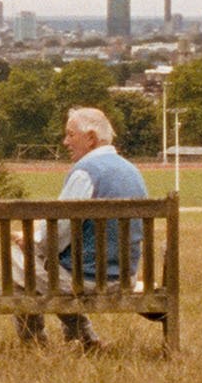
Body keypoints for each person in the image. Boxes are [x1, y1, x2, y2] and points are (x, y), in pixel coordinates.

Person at [15, 106, 147, 349]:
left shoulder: (85, 173)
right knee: (41, 269)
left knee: (19, 259)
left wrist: (30, 240)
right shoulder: (133, 171)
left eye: (70, 134)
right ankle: (83, 336)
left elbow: (57, 234)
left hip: (87, 279)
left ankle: (35, 343)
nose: (65, 141)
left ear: (91, 139)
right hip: (125, 277)